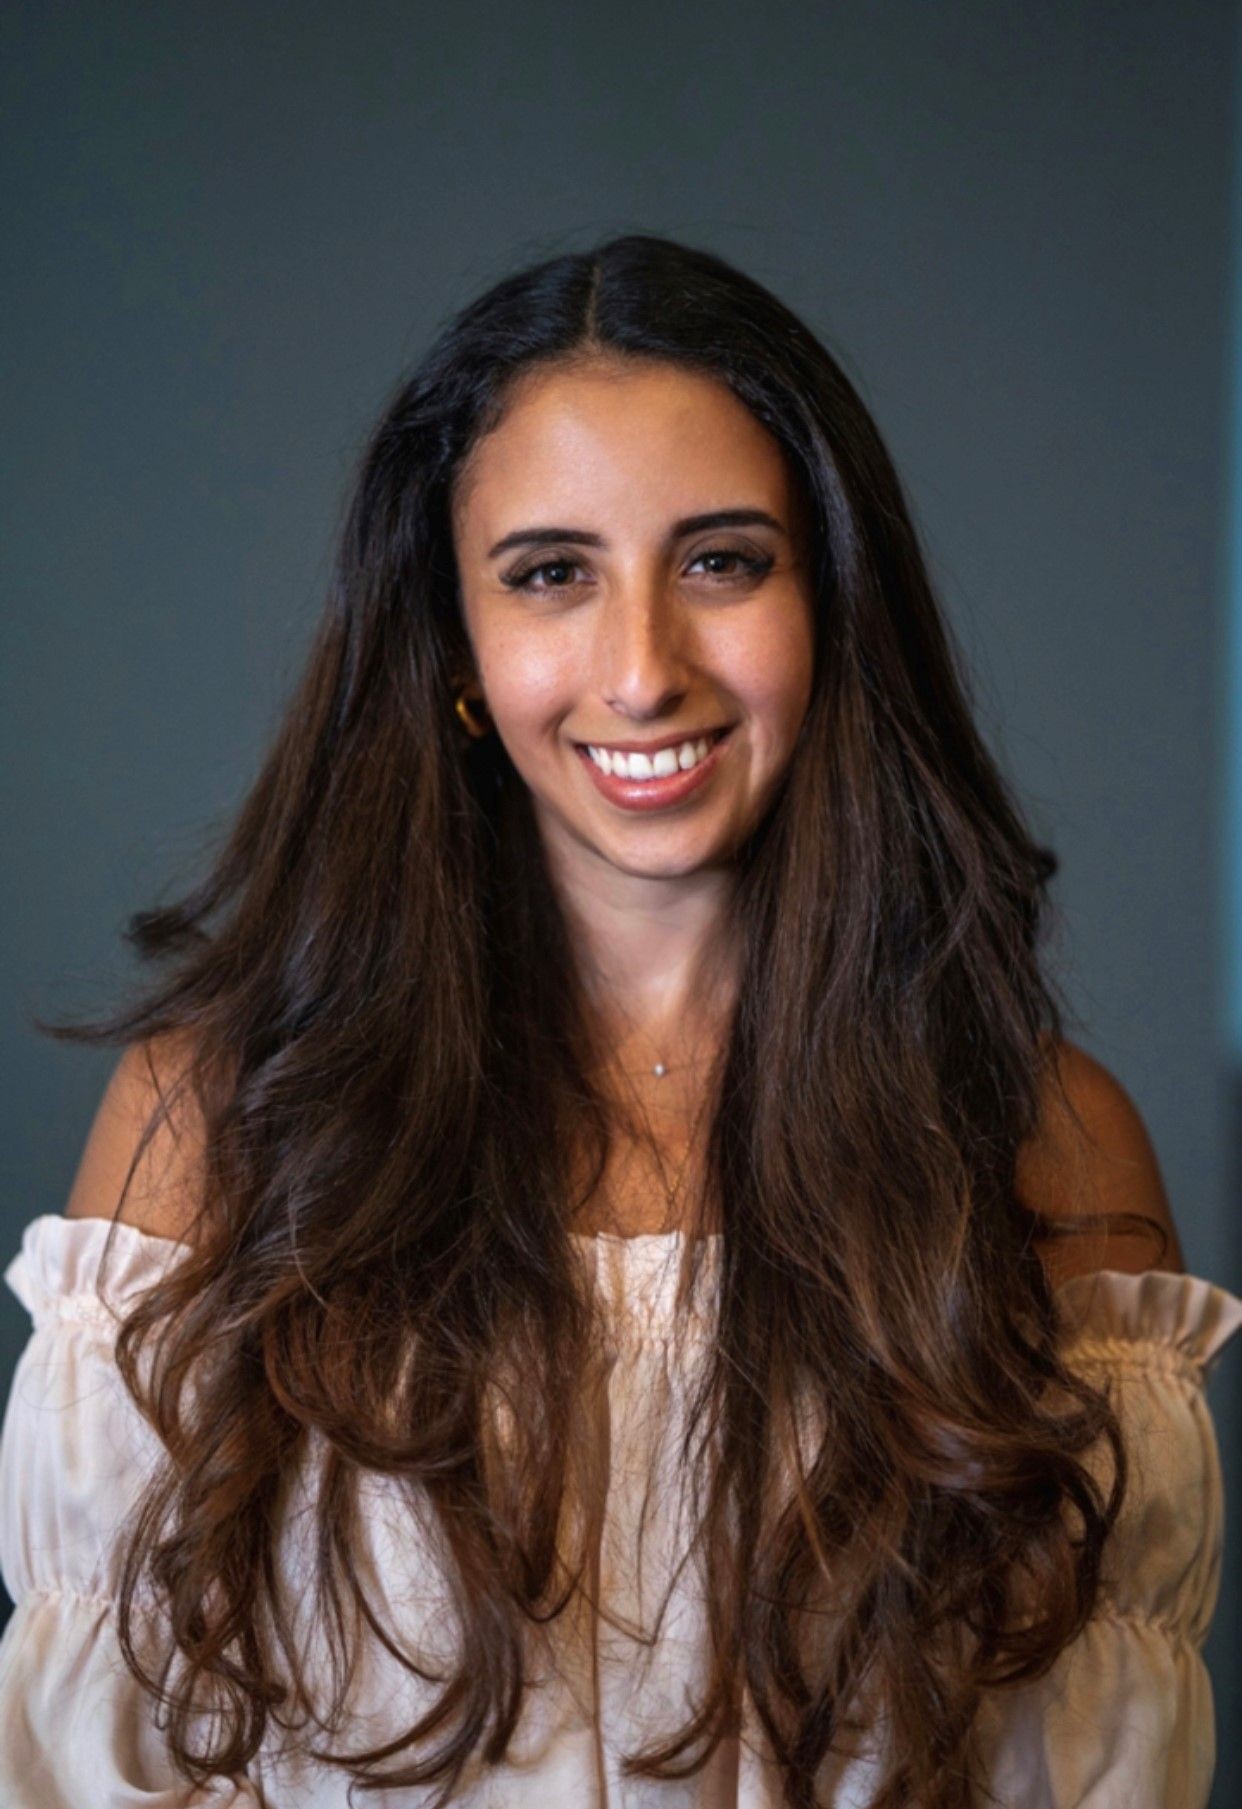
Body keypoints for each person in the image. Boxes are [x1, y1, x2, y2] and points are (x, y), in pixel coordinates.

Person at [0, 232, 1237, 1809]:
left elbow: (1088, 1771)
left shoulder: (1045, 1138)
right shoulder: (212, 1122)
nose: (642, 670)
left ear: (830, 602)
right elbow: (104, 1762)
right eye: (550, 573)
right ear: (453, 638)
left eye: (721, 560)